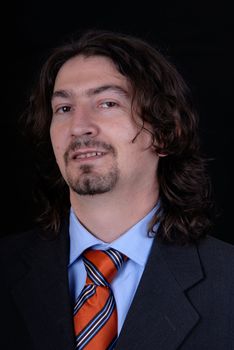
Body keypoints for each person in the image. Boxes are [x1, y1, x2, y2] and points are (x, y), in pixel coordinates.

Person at [0, 29, 233, 350]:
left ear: (164, 132)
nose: (79, 126)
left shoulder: (228, 283)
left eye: (107, 103)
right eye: (64, 109)